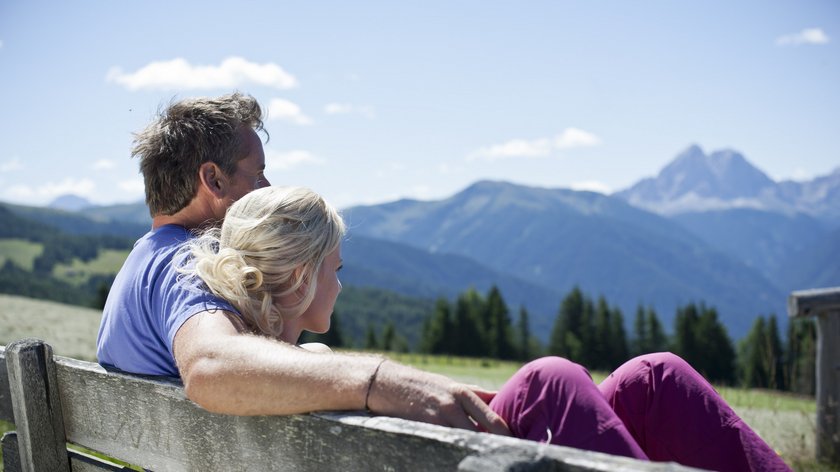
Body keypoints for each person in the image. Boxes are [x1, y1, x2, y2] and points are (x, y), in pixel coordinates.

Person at [97, 93, 790, 471]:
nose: (270, 187)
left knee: (652, 379)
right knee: (554, 379)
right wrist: (380, 381)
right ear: (213, 182)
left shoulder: (148, 263)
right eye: (259, 174)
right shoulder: (183, 263)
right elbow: (212, 368)